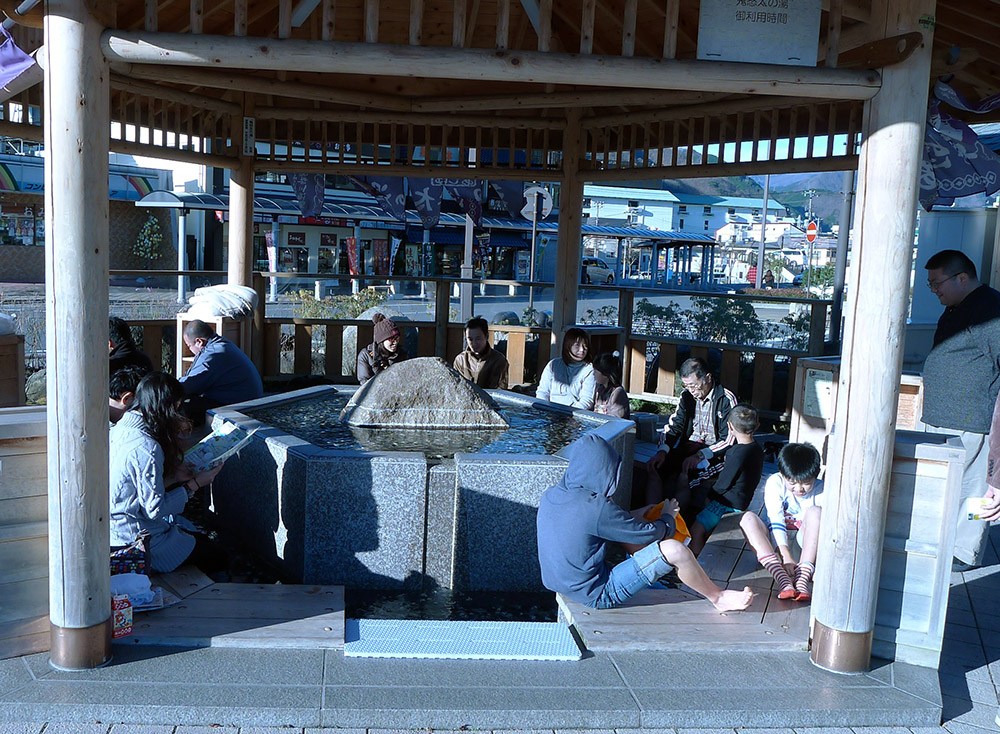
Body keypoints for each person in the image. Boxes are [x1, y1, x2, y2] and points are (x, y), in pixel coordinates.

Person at [536, 434, 754, 612]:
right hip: (598, 593)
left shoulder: (552, 495)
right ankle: (718, 597)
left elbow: (597, 524)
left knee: (630, 530)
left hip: (561, 584)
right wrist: (667, 516)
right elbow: (652, 534)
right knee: (674, 550)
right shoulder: (595, 507)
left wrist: (639, 512)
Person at [921, 249, 1000, 571]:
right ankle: (947, 543)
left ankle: (965, 551)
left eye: (936, 283)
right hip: (944, 420)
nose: (934, 290)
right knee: (947, 492)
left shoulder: (990, 310)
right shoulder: (956, 308)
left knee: (974, 493)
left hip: (975, 423)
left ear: (962, 278)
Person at [109, 372, 224, 573]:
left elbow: (133, 490)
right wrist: (194, 485)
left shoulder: (118, 430)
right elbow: (153, 510)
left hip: (112, 531)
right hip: (135, 541)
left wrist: (174, 478)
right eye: (178, 407)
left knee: (198, 538)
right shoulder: (146, 447)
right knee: (216, 555)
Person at [645, 357, 738, 510]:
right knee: (654, 468)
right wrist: (662, 451)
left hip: (714, 453)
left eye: (694, 385)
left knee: (685, 475)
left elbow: (729, 439)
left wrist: (702, 455)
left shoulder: (726, 399)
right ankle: (649, 517)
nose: (691, 391)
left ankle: (673, 523)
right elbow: (674, 428)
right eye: (686, 385)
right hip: (689, 447)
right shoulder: (686, 396)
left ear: (707, 378)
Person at [740, 442, 823, 602]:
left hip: (805, 547)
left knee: (816, 512)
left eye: (806, 482)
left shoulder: (822, 489)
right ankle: (782, 578)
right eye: (792, 482)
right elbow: (775, 519)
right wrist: (785, 557)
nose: (799, 488)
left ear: (816, 475)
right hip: (774, 546)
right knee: (747, 519)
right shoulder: (775, 482)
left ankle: (802, 579)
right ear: (783, 474)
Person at [688, 404, 764, 555]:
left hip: (727, 504)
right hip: (743, 502)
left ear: (730, 426)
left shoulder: (735, 453)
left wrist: (709, 496)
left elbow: (724, 483)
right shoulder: (757, 449)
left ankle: (695, 558)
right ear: (757, 426)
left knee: (697, 528)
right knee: (710, 531)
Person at [180, 319, 263, 424]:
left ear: (199, 341)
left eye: (189, 346)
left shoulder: (212, 355)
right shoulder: (221, 344)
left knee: (183, 407)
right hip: (248, 402)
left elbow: (189, 386)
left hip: (240, 409)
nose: (190, 350)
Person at [536, 327, 596, 410]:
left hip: (574, 415)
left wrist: (570, 414)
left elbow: (586, 400)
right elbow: (543, 391)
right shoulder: (553, 364)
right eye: (577, 346)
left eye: (585, 346)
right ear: (568, 346)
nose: (582, 350)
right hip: (550, 411)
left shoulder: (589, 369)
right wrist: (544, 409)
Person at [453, 317, 509, 389]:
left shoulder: (498, 360)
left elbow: (500, 390)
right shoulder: (460, 360)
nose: (474, 343)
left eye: (478, 339)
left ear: (486, 336)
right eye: (470, 339)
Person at [358, 313, 408, 385]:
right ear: (381, 341)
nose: (395, 342)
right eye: (391, 339)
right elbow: (365, 384)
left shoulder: (402, 354)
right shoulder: (366, 355)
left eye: (397, 338)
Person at [592, 352, 629, 419]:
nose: (593, 374)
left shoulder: (618, 393)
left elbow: (616, 419)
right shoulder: (600, 389)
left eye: (596, 371)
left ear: (605, 374)